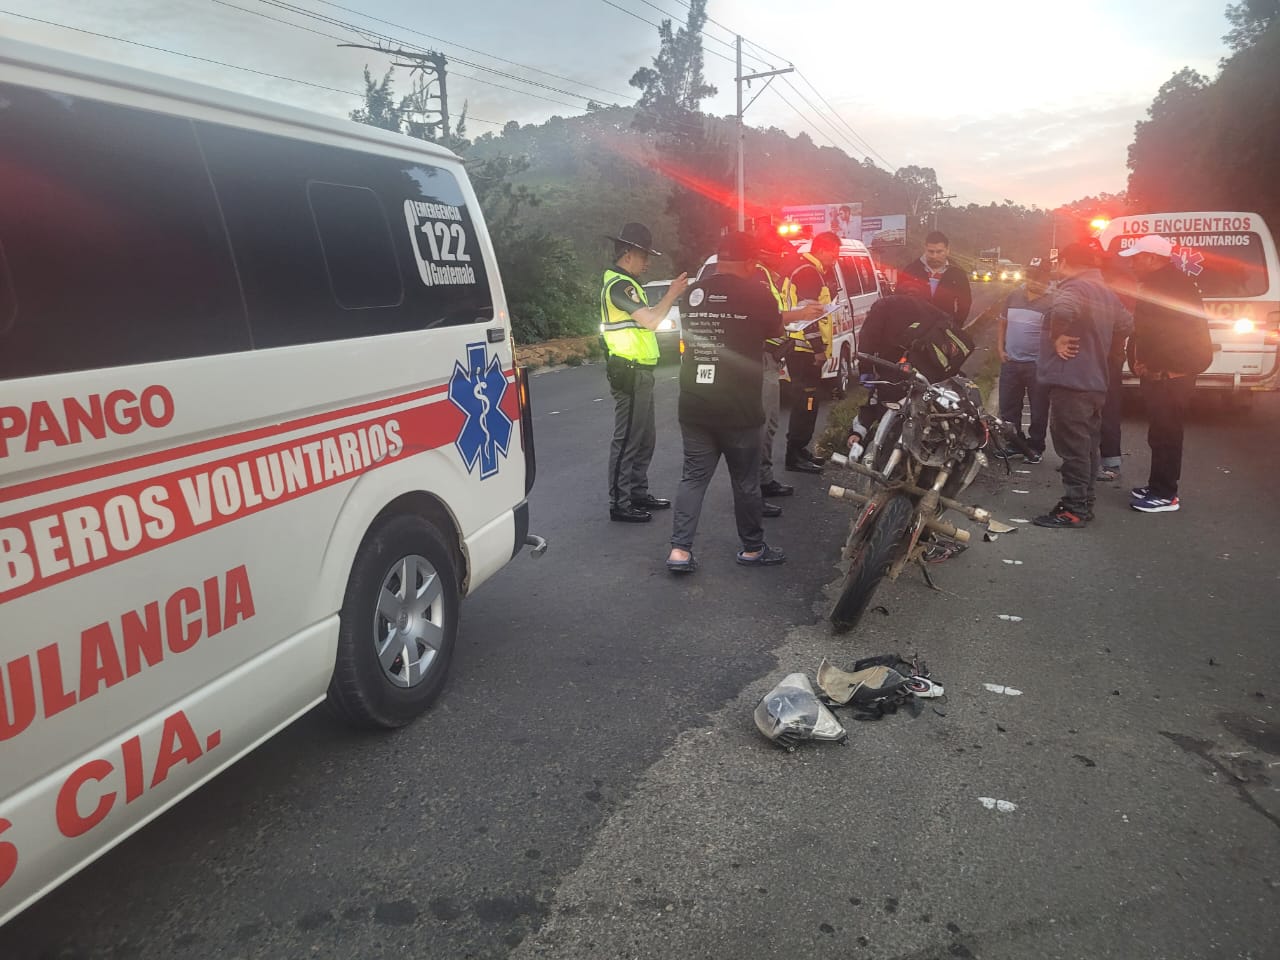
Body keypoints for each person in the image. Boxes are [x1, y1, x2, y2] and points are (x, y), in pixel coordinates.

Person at [666, 233, 788, 573]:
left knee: (692, 477)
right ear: (751, 263)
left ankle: (679, 551)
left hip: (694, 403)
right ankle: (752, 549)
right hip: (739, 408)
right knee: (745, 481)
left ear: (719, 259)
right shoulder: (759, 293)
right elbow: (776, 330)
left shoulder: (691, 293)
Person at [1032, 243, 1133, 529]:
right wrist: (1106, 352)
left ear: (1064, 261)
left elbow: (1063, 310)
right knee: (1088, 447)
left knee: (1072, 447)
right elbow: (1126, 325)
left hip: (1072, 382)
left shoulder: (1075, 288)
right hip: (1096, 383)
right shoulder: (1105, 291)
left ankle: (1074, 510)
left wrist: (1057, 337)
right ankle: (1084, 503)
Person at [599, 222, 687, 523]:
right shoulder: (619, 286)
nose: (647, 262)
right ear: (627, 254)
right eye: (643, 255)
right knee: (627, 440)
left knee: (644, 437)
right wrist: (673, 293)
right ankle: (620, 503)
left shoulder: (628, 284)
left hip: (640, 371)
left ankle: (637, 492)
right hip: (629, 370)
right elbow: (650, 321)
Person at [1120, 233, 1212, 513]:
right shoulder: (1160, 283)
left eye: (1136, 258)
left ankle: (1166, 494)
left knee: (1167, 433)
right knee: (1159, 433)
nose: (1132, 264)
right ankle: (1157, 485)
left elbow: (1172, 335)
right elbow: (1147, 331)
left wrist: (1153, 362)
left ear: (1152, 258)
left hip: (1171, 376)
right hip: (1161, 373)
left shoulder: (1170, 286)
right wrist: (1138, 358)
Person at [753, 233, 826, 508]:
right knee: (766, 423)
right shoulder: (763, 277)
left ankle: (765, 479)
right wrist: (815, 342)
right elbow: (771, 316)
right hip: (779, 354)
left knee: (770, 423)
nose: (785, 259)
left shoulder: (774, 278)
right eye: (780, 254)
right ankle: (758, 487)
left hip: (777, 353)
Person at [845, 293, 956, 459]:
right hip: (926, 378)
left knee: (883, 401)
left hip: (893, 371)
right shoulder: (931, 311)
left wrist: (866, 370)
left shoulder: (884, 306)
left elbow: (867, 339)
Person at [784, 230, 841, 474]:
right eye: (834, 254)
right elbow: (810, 316)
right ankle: (794, 455)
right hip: (804, 349)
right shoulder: (808, 273)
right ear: (821, 250)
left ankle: (800, 450)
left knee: (808, 403)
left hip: (800, 347)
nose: (835, 260)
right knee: (805, 403)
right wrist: (818, 349)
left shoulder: (807, 269)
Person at [995, 258, 1053, 463]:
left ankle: (1036, 446)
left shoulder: (1052, 302)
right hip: (1011, 361)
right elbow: (1003, 323)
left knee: (1038, 410)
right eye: (1031, 277)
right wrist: (1000, 349)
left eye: (1040, 278)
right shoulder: (1013, 295)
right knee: (1008, 407)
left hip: (1037, 365)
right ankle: (1013, 443)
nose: (1034, 282)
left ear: (1047, 280)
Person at [1097, 250, 1139, 481]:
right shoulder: (1120, 281)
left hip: (1108, 356)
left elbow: (1127, 324)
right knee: (1096, 409)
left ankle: (1109, 463)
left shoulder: (1117, 285)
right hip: (1105, 355)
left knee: (1107, 409)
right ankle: (1093, 461)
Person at [896, 230, 973, 328]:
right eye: (931, 251)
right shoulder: (911, 270)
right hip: (915, 331)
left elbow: (965, 303)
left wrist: (956, 325)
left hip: (944, 329)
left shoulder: (957, 274)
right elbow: (898, 299)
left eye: (939, 252)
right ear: (925, 249)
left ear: (947, 250)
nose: (934, 256)